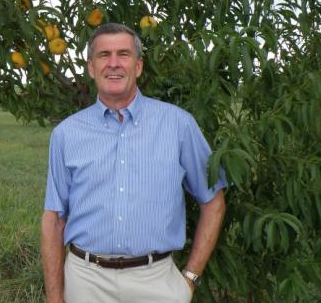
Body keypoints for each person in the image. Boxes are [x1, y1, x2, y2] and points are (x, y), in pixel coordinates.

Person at [41, 23, 227, 303]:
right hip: (85, 282)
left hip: (157, 282)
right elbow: (54, 220)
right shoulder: (66, 134)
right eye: (104, 55)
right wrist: (55, 298)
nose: (113, 63)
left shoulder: (179, 125)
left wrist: (189, 278)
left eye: (123, 54)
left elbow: (213, 201)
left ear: (138, 66)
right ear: (91, 67)